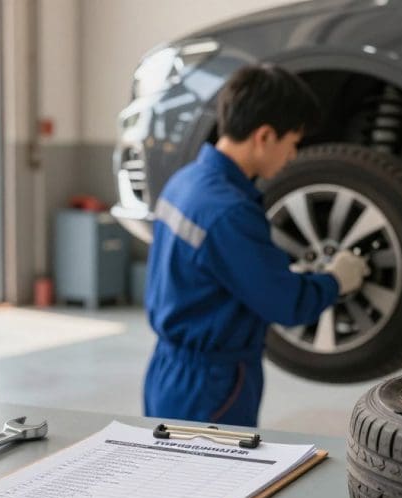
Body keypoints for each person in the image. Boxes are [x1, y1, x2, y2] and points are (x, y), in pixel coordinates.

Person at [143, 63, 365, 427]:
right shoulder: (229, 213)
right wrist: (337, 280)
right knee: (215, 481)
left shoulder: (185, 182)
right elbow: (286, 304)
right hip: (211, 384)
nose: (293, 156)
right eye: (293, 143)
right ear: (264, 136)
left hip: (168, 370)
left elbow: (217, 272)